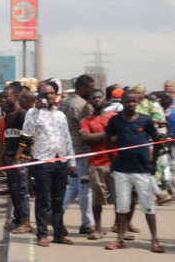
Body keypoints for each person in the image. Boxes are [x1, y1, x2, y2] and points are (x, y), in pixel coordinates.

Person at [104, 90, 163, 253]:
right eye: (128, 101)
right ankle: (120, 239)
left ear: (137, 102)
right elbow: (107, 139)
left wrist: (153, 163)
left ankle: (154, 240)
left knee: (148, 205)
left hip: (142, 169)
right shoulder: (115, 120)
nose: (131, 104)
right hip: (122, 169)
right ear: (122, 102)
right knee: (122, 205)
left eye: (134, 101)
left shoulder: (145, 120)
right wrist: (112, 160)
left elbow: (156, 141)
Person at [19, 81, 76, 247]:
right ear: (39, 95)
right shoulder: (33, 112)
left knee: (58, 200)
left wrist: (71, 160)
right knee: (43, 200)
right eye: (44, 94)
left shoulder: (60, 115)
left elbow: (67, 138)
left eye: (51, 93)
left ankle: (58, 233)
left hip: (61, 161)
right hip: (43, 161)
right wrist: (37, 110)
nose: (48, 96)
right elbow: (27, 132)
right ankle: (42, 234)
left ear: (56, 95)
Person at [60, 74, 95, 236]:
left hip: (68, 150)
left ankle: (57, 213)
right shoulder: (83, 106)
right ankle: (87, 223)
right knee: (85, 188)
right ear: (82, 88)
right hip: (81, 151)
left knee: (74, 186)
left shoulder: (65, 101)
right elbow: (87, 128)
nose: (92, 92)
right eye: (91, 88)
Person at [80, 89, 117, 241]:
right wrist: (107, 135)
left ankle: (119, 226)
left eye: (99, 97)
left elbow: (118, 137)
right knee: (97, 198)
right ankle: (98, 228)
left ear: (105, 99)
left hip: (114, 162)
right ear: (89, 102)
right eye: (93, 98)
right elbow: (85, 139)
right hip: (95, 164)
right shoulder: (86, 121)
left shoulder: (113, 118)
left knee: (118, 197)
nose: (96, 99)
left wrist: (97, 137)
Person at [0, 85, 32, 234]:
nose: (4, 99)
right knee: (14, 191)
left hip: (21, 158)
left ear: (15, 97)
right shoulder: (7, 117)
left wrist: (18, 158)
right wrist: (1, 161)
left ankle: (26, 222)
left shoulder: (22, 114)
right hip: (11, 158)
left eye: (6, 96)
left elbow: (26, 137)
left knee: (22, 191)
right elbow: (7, 141)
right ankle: (18, 219)